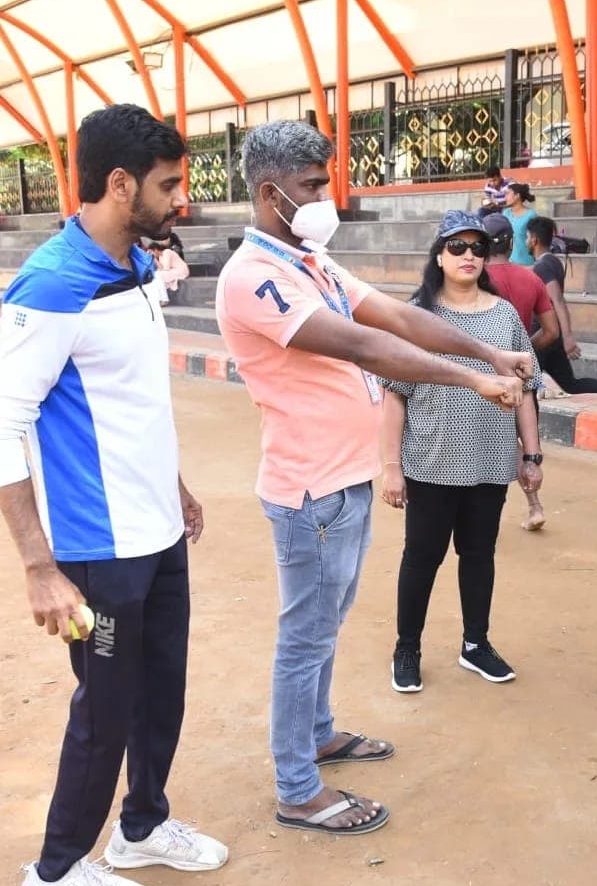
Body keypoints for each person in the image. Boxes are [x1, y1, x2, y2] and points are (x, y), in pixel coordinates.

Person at [215, 124, 532, 837]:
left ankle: (319, 733)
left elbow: (396, 316)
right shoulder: (253, 276)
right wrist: (474, 378)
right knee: (305, 636)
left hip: (343, 481)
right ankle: (298, 788)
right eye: (310, 186)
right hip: (309, 489)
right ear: (269, 192)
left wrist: (487, 351)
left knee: (325, 624)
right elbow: (364, 343)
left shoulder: (311, 261)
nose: (324, 199)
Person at [0, 104, 227, 886]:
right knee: (104, 709)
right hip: (99, 551)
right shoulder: (53, 284)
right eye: (169, 185)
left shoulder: (133, 266)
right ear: (121, 183)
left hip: (157, 532)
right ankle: (56, 874)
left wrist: (175, 484)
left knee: (161, 690)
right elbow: (3, 422)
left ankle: (143, 827)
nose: (181, 200)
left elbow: (131, 401)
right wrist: (39, 566)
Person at [381, 212, 542, 694]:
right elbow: (394, 396)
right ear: (438, 256)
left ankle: (476, 644)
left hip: (489, 460)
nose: (468, 255)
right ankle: (407, 648)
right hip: (431, 461)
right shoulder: (417, 317)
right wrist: (391, 467)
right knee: (421, 558)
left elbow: (525, 389)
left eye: (477, 247)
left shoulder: (505, 315)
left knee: (479, 555)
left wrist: (531, 455)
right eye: (457, 247)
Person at [481, 212, 558, 531]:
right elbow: (551, 331)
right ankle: (535, 505)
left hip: (484, 374)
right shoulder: (531, 279)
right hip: (522, 374)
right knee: (526, 444)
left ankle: (480, 518)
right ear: (512, 244)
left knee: (490, 445)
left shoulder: (475, 280)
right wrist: (524, 354)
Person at [526, 214, 597, 395]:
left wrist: (567, 337)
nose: (526, 241)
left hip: (543, 336)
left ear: (534, 240)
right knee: (571, 385)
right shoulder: (553, 261)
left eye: (527, 237)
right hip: (553, 335)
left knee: (527, 388)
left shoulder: (542, 267)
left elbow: (557, 300)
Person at [502, 182, 537, 265]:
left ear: (517, 195)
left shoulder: (531, 215)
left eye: (507, 194)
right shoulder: (506, 213)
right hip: (508, 261)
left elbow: (535, 240)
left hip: (526, 262)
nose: (505, 197)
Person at [148, 237, 190, 305]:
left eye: (151, 252)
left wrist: (159, 270)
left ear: (155, 250)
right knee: (155, 276)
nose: (151, 253)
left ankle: (164, 299)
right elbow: (161, 268)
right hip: (173, 271)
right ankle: (160, 298)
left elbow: (166, 268)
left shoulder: (167, 252)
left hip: (181, 270)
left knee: (157, 274)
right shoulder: (160, 256)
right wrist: (154, 258)